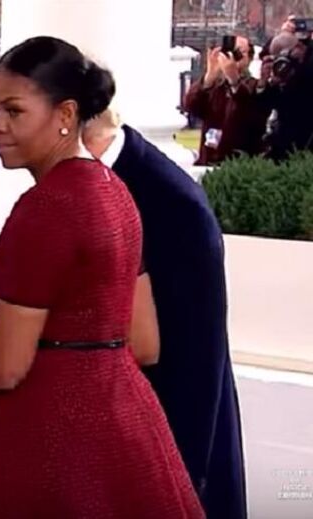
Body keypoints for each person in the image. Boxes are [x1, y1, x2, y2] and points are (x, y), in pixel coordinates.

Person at [0, 36, 203, 518]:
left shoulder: (45, 209)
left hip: (53, 432)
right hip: (126, 426)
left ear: (66, 114)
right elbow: (143, 342)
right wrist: (35, 343)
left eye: (14, 111)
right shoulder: (116, 192)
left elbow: (6, 368)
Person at [84, 110, 247, 519]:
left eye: (14, 111)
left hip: (160, 452)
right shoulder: (83, 185)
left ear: (65, 115)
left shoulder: (170, 200)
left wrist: (184, 481)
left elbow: (195, 358)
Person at [183, 36, 270, 165]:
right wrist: (209, 77)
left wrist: (234, 80)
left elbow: (250, 113)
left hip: (241, 160)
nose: (234, 57)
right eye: (232, 51)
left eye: (240, 52)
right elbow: (191, 106)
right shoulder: (215, 88)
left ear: (249, 58)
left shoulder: (254, 86)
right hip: (210, 158)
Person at [257, 28, 313, 160]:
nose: (284, 61)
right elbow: (267, 105)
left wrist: (292, 76)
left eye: (287, 55)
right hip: (287, 140)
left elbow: (302, 99)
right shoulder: (281, 73)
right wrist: (265, 82)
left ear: (299, 47)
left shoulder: (309, 64)